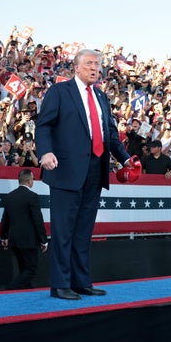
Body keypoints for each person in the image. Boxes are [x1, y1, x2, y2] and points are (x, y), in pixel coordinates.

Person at [36, 49, 132, 300]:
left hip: (95, 170)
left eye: (98, 64)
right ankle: (60, 284)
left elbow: (111, 134)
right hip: (65, 169)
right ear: (76, 67)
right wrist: (45, 152)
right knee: (63, 230)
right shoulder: (59, 91)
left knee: (83, 231)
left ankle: (81, 282)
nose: (95, 68)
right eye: (89, 63)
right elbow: (44, 125)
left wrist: (126, 159)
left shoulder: (101, 97)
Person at [0, 169, 48, 290]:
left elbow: (5, 219)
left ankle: (25, 292)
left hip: (14, 239)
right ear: (29, 181)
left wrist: (4, 237)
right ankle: (9, 289)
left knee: (23, 268)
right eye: (33, 179)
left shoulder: (10, 196)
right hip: (29, 240)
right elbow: (38, 220)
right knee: (31, 269)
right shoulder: (32, 196)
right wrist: (44, 240)